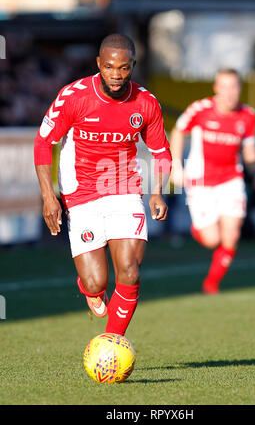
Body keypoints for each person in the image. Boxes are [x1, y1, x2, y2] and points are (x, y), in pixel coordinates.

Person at [34, 33, 172, 336]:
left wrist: (158, 192)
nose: (116, 75)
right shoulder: (74, 96)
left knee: (130, 270)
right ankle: (90, 288)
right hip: (80, 192)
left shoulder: (145, 102)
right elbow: (44, 143)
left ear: (133, 65)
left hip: (124, 187)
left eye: (124, 68)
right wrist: (48, 196)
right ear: (99, 63)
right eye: (109, 67)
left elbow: (161, 150)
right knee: (97, 282)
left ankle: (111, 343)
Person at [170, 68, 255, 294]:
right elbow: (179, 131)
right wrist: (176, 165)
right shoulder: (200, 109)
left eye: (234, 87)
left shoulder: (248, 115)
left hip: (231, 179)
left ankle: (211, 283)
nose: (230, 93)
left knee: (232, 236)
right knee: (212, 240)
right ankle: (197, 229)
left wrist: (253, 157)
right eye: (225, 87)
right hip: (201, 180)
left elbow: (249, 149)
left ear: (240, 89)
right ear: (216, 88)